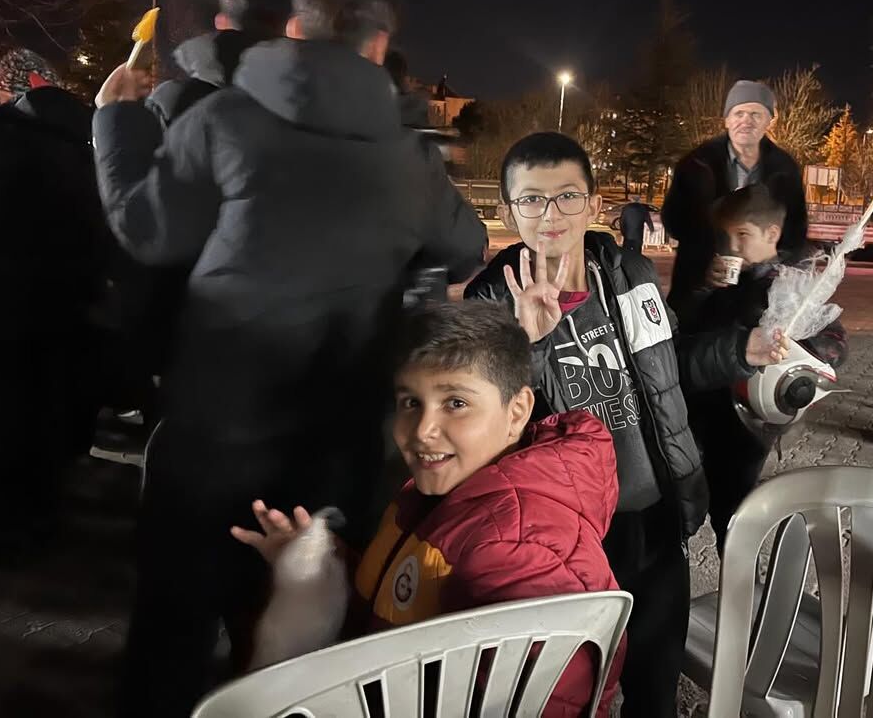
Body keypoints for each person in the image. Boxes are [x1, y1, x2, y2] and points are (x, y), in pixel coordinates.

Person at [92, 0, 487, 718]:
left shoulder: (222, 119)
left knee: (169, 639)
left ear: (298, 29)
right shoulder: (409, 163)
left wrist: (114, 121)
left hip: (211, 441)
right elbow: (466, 248)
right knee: (297, 654)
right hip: (329, 460)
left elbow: (147, 230)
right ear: (379, 47)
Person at [232, 301, 624, 716]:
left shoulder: (520, 547)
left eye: (456, 403)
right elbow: (410, 594)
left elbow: (550, 700)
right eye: (410, 402)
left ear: (518, 412)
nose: (422, 431)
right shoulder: (446, 494)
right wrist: (322, 566)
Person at [464, 132, 707, 718]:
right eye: (532, 200)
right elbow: (481, 429)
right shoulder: (488, 302)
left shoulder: (627, 273)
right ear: (507, 211)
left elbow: (673, 366)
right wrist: (530, 344)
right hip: (563, 538)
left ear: (594, 204)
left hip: (653, 518)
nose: (551, 215)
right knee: (569, 693)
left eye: (568, 196)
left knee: (655, 686)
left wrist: (744, 350)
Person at [674, 184, 847, 552]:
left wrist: (801, 351)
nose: (732, 246)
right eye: (728, 236)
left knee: (734, 507)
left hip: (746, 424)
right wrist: (704, 289)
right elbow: (683, 327)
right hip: (700, 404)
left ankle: (739, 572)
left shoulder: (793, 287)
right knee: (684, 492)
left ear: (772, 234)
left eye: (742, 236)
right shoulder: (729, 278)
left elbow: (834, 343)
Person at [0, 49, 112, 550]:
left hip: (7, 304)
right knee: (52, 408)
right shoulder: (99, 131)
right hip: (74, 303)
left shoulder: (4, 134)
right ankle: (44, 512)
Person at [662, 80, 807, 324]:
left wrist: (768, 265)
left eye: (755, 114)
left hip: (759, 296)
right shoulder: (696, 163)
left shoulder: (785, 169)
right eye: (738, 113)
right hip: (700, 285)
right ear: (727, 119)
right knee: (694, 345)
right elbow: (674, 221)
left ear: (769, 121)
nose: (746, 120)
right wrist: (706, 258)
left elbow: (795, 230)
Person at [149, 0, 286, 128]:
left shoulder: (170, 103)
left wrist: (112, 109)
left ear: (220, 22)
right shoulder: (314, 102)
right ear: (280, 24)